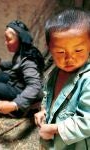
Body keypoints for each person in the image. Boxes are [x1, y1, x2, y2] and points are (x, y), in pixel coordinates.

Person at [34, 8, 90, 150]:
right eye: (60, 52)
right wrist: (43, 111)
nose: (69, 58)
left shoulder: (88, 79)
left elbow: (87, 121)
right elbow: (49, 98)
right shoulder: (54, 73)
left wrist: (56, 129)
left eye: (78, 50)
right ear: (49, 48)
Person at [0, 20, 45, 121]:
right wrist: (0, 64)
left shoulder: (29, 60)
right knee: (3, 76)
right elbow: (16, 64)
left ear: (20, 39)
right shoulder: (24, 51)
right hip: (21, 84)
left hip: (27, 94)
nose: (5, 42)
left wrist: (14, 104)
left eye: (9, 39)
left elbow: (34, 86)